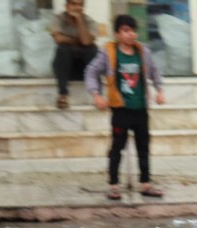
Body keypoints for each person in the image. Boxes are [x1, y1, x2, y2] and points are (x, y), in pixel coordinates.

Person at [84, 15, 166, 201]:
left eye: (133, 30)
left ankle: (146, 184)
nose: (131, 35)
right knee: (117, 147)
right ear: (117, 33)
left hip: (140, 107)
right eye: (126, 31)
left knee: (143, 146)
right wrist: (96, 94)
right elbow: (91, 71)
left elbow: (154, 71)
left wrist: (159, 90)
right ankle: (113, 185)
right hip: (120, 108)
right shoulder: (109, 52)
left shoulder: (142, 51)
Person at [50, 0, 98, 109]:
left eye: (80, 5)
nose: (77, 7)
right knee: (63, 49)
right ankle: (63, 95)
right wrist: (78, 40)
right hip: (66, 69)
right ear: (67, 6)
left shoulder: (89, 21)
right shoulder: (59, 19)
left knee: (92, 50)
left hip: (84, 69)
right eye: (73, 4)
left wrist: (79, 20)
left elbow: (86, 41)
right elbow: (58, 39)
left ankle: (96, 94)